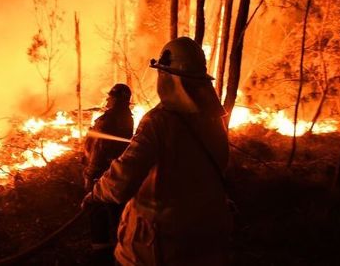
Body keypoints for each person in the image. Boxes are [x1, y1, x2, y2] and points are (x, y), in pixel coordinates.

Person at [83, 37, 232, 266]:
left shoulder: (159, 122)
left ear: (168, 76)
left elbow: (121, 181)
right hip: (207, 241)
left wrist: (96, 193)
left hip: (156, 248)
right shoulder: (215, 121)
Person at [83, 83, 134, 262]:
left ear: (116, 99)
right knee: (117, 213)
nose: (107, 99)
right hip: (117, 174)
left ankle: (101, 255)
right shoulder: (127, 118)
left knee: (97, 214)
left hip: (101, 174)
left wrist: (90, 176)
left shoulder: (107, 120)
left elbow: (98, 150)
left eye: (110, 96)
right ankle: (119, 248)